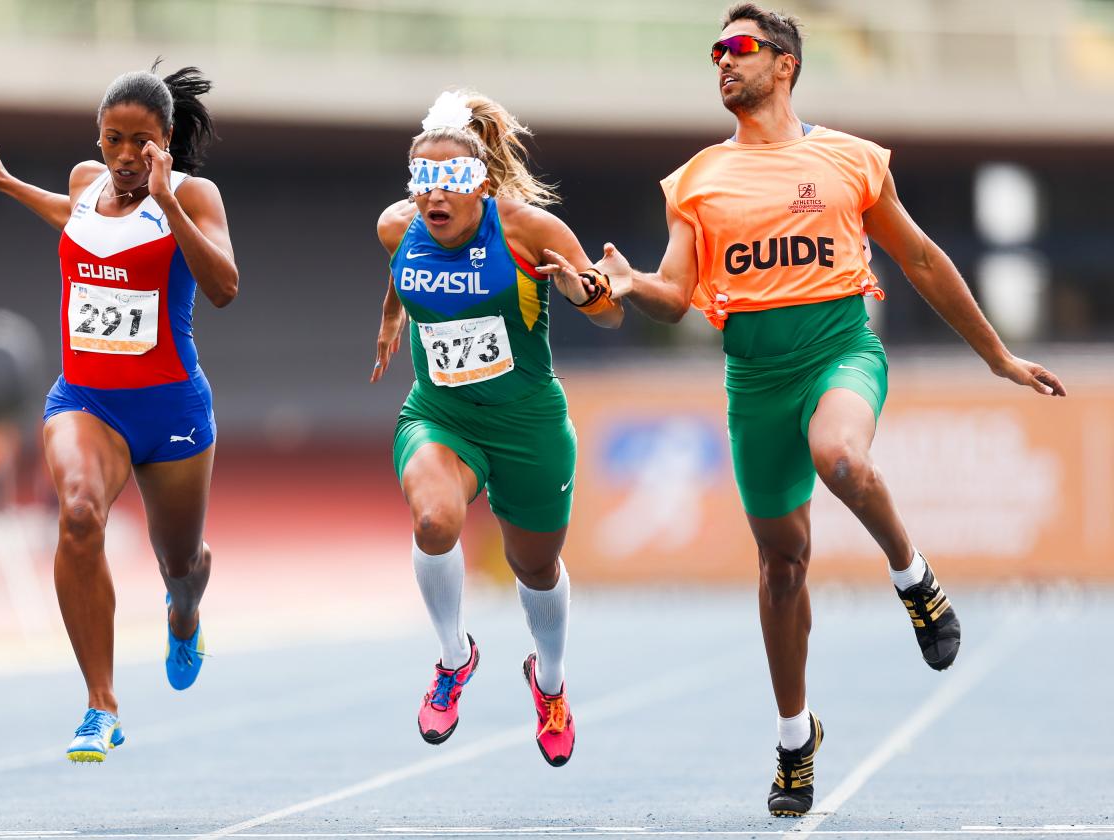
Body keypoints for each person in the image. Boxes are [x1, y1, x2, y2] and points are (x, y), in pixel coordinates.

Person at [552, 3, 1067, 816]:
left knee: (843, 459)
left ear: (785, 63)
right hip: (754, 381)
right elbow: (674, 294)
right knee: (782, 567)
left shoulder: (851, 159)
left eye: (741, 47)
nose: (723, 60)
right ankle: (797, 739)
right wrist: (622, 285)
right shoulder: (696, 180)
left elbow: (924, 260)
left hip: (839, 351)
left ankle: (914, 577)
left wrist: (997, 355)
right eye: (715, 50)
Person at [0, 61, 238, 763]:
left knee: (181, 562)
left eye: (138, 143)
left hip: (171, 409)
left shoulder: (195, 196)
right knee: (78, 513)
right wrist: (6, 184)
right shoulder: (88, 185)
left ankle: (184, 615)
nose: (122, 157)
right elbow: (77, 220)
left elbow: (225, 287)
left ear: (165, 140)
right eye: (111, 139)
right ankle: (100, 704)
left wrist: (168, 202)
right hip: (85, 399)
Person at [371, 90, 621, 767]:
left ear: (479, 182)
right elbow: (401, 271)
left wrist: (580, 293)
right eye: (423, 181)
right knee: (433, 521)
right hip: (441, 414)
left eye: (450, 180)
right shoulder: (398, 227)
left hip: (528, 424)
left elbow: (608, 314)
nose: (434, 196)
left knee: (533, 567)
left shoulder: (527, 231)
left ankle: (549, 682)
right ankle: (455, 657)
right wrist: (393, 316)